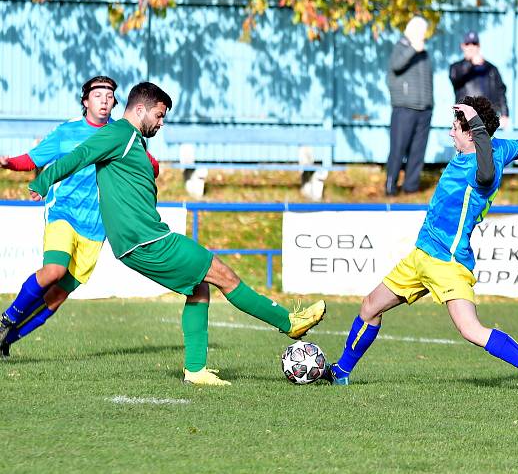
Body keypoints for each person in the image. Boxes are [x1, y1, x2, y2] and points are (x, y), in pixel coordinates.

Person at [17, 82, 326, 386]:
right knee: (224, 275)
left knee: (199, 289)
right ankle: (290, 323)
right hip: (147, 239)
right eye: (159, 115)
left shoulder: (131, 140)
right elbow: (78, 155)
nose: (161, 122)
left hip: (141, 240)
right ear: (140, 109)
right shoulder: (118, 133)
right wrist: (43, 182)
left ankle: (195, 369)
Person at [323, 96, 518, 394]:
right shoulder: (500, 148)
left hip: (447, 263)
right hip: (421, 255)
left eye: (455, 127)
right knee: (369, 307)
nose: (451, 133)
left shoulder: (484, 165)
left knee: (471, 330)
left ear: (472, 132)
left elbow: (487, 175)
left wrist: (475, 122)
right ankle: (341, 371)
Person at [0, 76, 160, 359]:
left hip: (96, 227)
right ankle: (6, 319)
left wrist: (152, 164)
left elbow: (146, 163)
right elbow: (34, 159)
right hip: (64, 212)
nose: (105, 100)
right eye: (98, 95)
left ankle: (7, 338)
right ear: (85, 101)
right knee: (54, 270)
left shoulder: (123, 133)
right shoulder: (67, 132)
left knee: (58, 296)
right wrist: (10, 163)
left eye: (110, 96)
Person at [385, 16, 433, 196]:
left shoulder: (424, 53)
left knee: (418, 151)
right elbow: (396, 66)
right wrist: (413, 49)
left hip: (424, 109)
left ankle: (411, 187)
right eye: (421, 31)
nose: (423, 35)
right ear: (411, 30)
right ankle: (391, 187)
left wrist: (430, 103)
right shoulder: (401, 47)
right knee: (398, 149)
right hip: (404, 108)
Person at [449, 31, 510, 129]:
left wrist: (504, 113)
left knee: (487, 144)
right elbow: (455, 79)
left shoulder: (491, 69)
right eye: (468, 44)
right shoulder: (456, 67)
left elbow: (501, 91)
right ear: (462, 46)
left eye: (474, 43)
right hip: (465, 116)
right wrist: (470, 64)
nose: (471, 47)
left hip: (486, 117)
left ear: (479, 46)